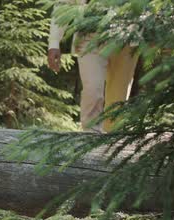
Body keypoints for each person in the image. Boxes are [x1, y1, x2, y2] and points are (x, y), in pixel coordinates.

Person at [47, 0, 138, 132]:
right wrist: (54, 42)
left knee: (118, 97)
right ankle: (91, 136)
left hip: (126, 37)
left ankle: (112, 138)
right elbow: (63, 3)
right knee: (93, 89)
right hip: (89, 36)